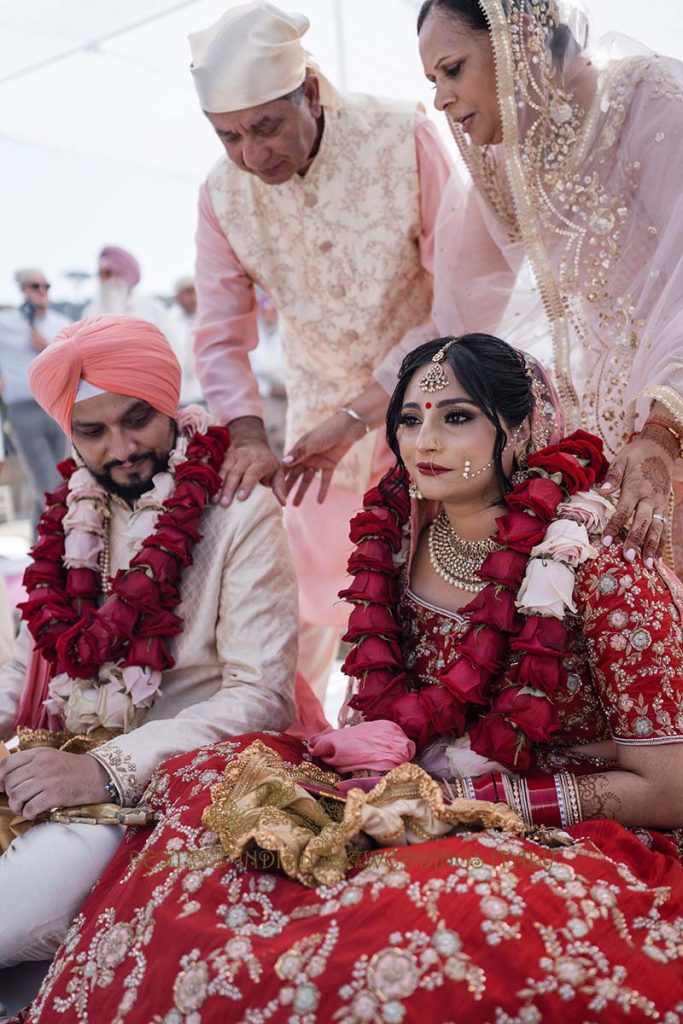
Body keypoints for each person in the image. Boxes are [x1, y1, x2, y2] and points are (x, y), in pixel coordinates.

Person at [25, 335, 683, 1021]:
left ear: (520, 428)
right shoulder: (404, 539)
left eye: (455, 417)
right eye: (407, 418)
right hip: (417, 792)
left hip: (567, 833)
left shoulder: (601, 568)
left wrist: (466, 801)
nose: (422, 439)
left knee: (401, 928)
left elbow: (668, 791)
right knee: (212, 818)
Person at [296, 0, 683, 576]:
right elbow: (452, 323)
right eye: (432, 80)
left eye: (453, 69)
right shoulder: (504, 161)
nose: (440, 99)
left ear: (517, 42)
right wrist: (350, 421)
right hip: (598, 455)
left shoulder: (644, 99)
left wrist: (660, 434)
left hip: (663, 432)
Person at [0, 314, 297, 968]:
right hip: (53, 763)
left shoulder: (237, 505)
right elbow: (32, 659)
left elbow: (261, 698)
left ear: (169, 403)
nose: (121, 447)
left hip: (176, 786)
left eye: (138, 419)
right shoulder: (69, 514)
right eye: (93, 431)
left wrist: (104, 771)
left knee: (15, 913)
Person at [189, 1, 452, 698]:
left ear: (308, 90)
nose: (252, 154)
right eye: (229, 137)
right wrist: (246, 433)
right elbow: (219, 337)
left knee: (438, 594)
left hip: (434, 406)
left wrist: (361, 414)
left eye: (266, 126)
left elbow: (463, 298)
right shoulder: (221, 197)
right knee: (307, 606)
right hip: (315, 441)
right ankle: (293, 753)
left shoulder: (402, 136)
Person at [0, 269, 70, 537]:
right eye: (35, 286)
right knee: (48, 485)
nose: (42, 291)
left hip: (57, 406)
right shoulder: (5, 322)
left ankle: (40, 552)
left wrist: (49, 346)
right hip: (24, 410)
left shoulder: (59, 323)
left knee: (57, 483)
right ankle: (59, 546)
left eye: (46, 286)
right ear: (22, 289)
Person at [83, 245, 169, 333]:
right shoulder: (90, 313)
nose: (105, 280)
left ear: (124, 275)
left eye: (108, 273)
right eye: (101, 274)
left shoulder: (153, 310)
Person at [167, 275, 204, 407]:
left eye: (196, 291)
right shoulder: (167, 321)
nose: (193, 297)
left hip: (205, 393)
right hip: (179, 396)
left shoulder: (208, 320)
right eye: (189, 292)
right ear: (178, 296)